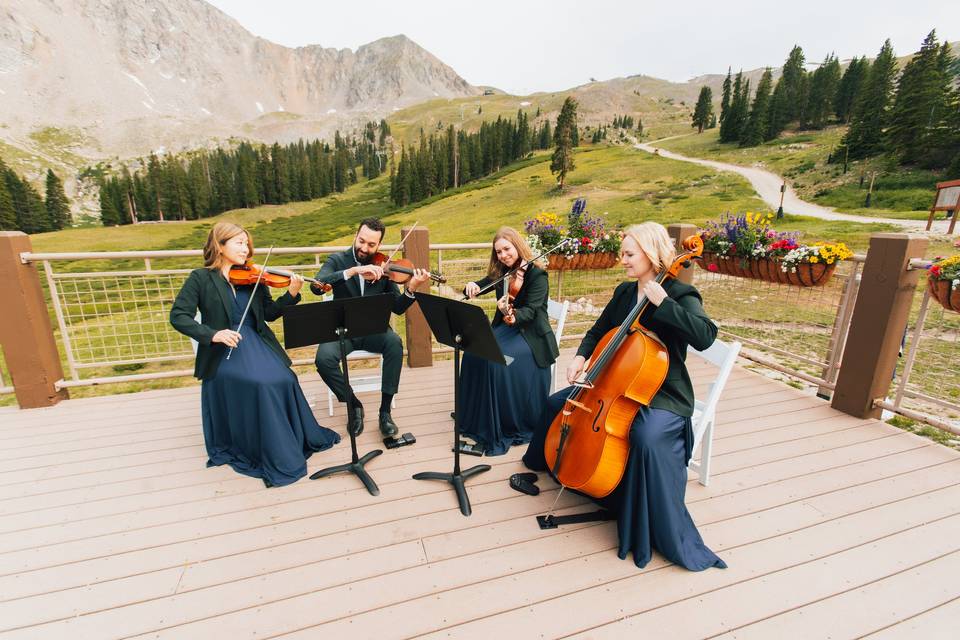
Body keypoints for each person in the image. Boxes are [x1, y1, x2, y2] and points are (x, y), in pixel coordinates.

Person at [522, 222, 726, 571]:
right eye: (623, 253)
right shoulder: (623, 292)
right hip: (615, 383)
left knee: (644, 436)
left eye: (629, 254)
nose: (623, 260)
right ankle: (552, 465)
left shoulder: (679, 293)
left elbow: (705, 336)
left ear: (651, 253)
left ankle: (635, 510)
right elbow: (598, 331)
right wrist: (581, 357)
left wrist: (664, 304)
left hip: (663, 391)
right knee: (558, 403)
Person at [170, 222, 340, 487]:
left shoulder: (254, 278)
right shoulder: (200, 279)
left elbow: (269, 314)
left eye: (246, 243)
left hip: (257, 342)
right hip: (223, 350)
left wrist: (292, 294)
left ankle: (289, 439)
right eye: (238, 242)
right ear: (220, 245)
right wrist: (213, 334)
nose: (245, 248)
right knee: (261, 384)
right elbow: (178, 316)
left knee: (285, 378)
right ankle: (268, 448)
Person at [311, 217, 430, 438]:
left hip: (374, 329)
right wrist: (353, 272)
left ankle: (385, 413)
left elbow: (397, 308)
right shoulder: (338, 260)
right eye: (361, 241)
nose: (365, 248)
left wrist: (411, 289)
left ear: (379, 245)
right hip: (342, 330)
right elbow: (317, 287)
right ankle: (354, 405)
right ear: (356, 236)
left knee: (395, 343)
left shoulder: (383, 265)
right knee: (323, 359)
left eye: (371, 244)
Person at [459, 227, 559, 455]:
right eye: (499, 252)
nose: (504, 255)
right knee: (474, 350)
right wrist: (471, 285)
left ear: (517, 245)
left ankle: (503, 420)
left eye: (507, 249)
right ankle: (477, 415)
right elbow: (481, 284)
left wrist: (513, 315)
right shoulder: (502, 271)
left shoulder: (537, 274)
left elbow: (532, 311)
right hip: (507, 327)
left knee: (494, 359)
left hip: (530, 335)